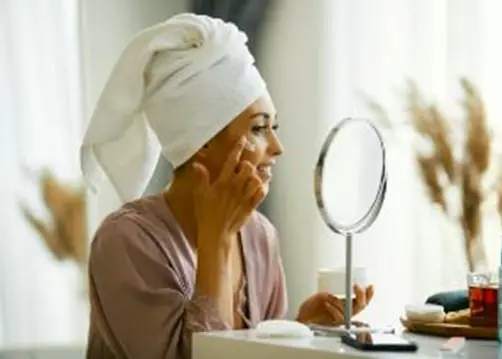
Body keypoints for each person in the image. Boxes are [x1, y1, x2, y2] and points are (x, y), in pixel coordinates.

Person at [80, 13, 374, 359]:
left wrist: (303, 330)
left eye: (273, 127)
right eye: (259, 129)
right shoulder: (126, 242)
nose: (277, 148)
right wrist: (215, 239)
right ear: (201, 141)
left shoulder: (260, 236)